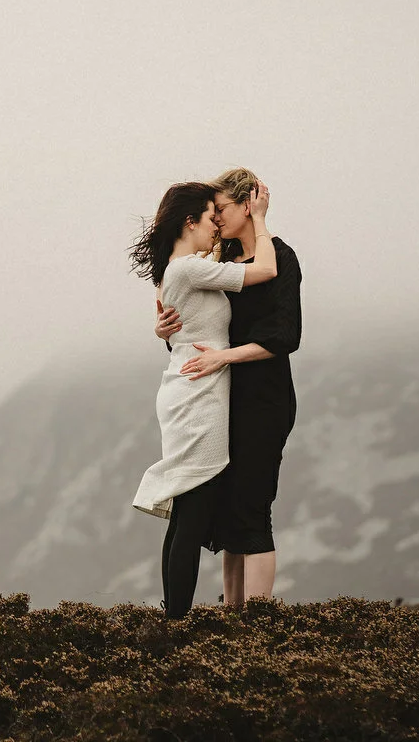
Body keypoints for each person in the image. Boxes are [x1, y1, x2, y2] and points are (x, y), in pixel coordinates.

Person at [128, 181, 277, 619]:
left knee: (187, 513)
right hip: (199, 395)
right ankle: (175, 621)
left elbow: (181, 330)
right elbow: (265, 271)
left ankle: (173, 617)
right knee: (193, 514)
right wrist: (262, 221)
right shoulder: (188, 269)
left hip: (190, 388)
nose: (216, 224)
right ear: (188, 220)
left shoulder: (179, 271)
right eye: (211, 216)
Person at [155, 168, 302, 607]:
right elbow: (200, 331)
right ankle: (231, 620)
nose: (216, 219)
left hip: (263, 398)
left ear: (247, 205)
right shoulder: (219, 265)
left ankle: (255, 625)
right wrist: (167, 332)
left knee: (253, 509)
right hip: (221, 400)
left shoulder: (280, 258)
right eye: (211, 212)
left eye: (222, 209)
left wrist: (223, 357)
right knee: (226, 516)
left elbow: (284, 337)